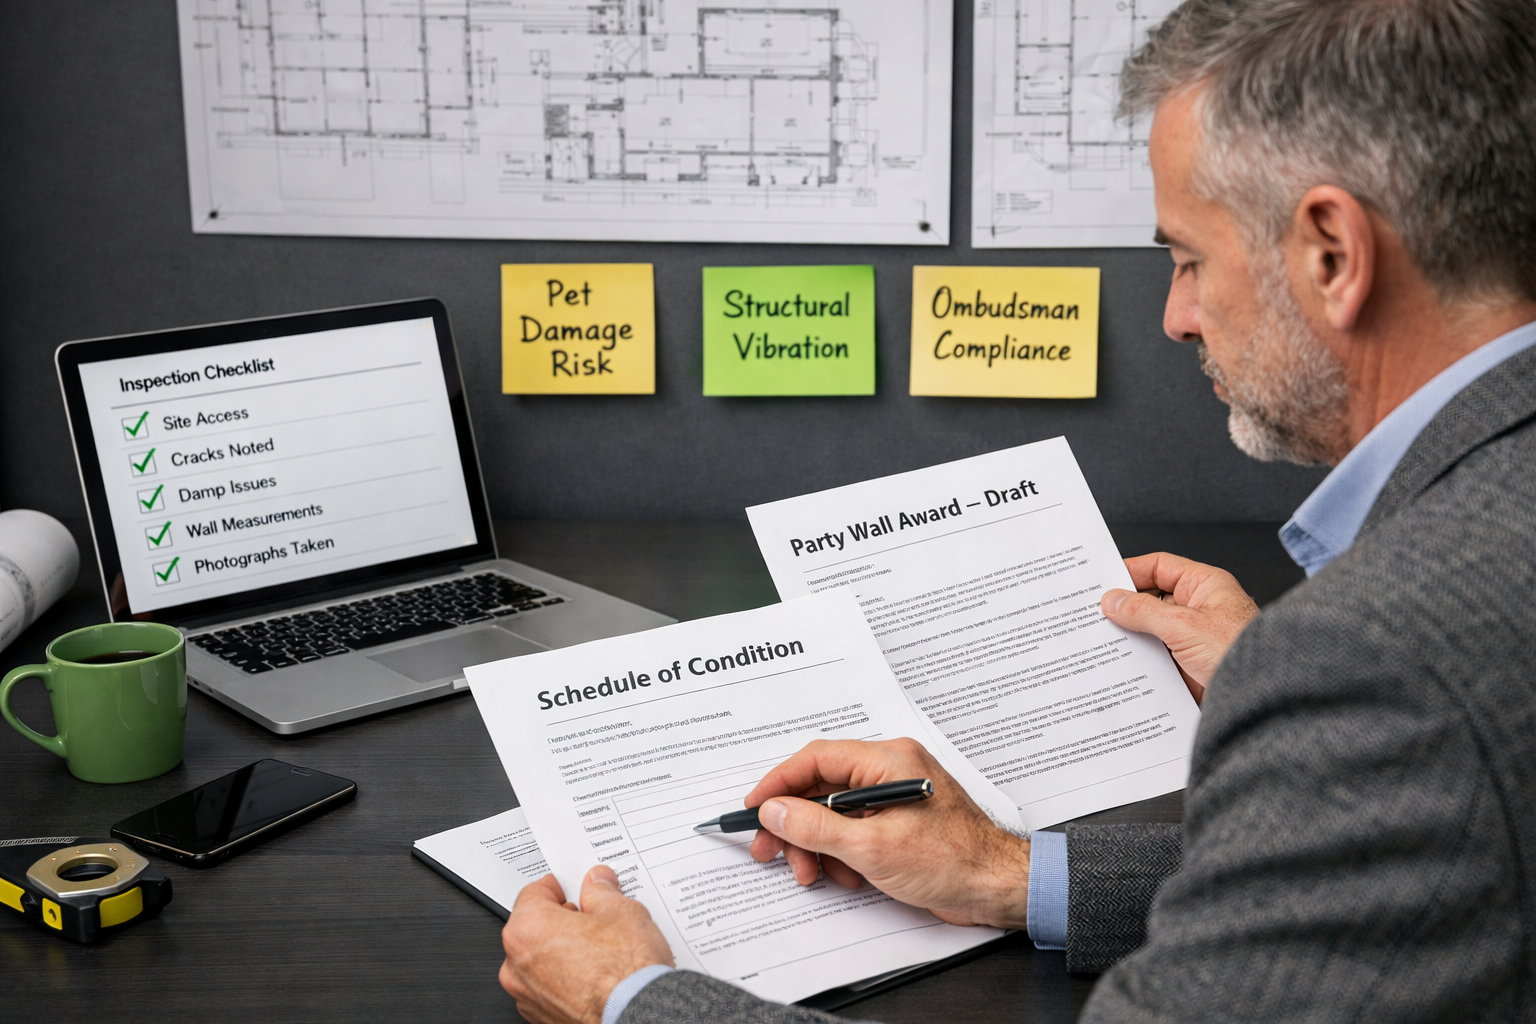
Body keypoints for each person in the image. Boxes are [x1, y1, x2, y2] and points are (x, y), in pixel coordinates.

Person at [497, 0, 1536, 1020]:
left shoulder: (1376, 659)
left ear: (1332, 253)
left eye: (1189, 259)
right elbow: (1390, 886)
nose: (1176, 318)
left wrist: (633, 999)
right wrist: (1006, 872)